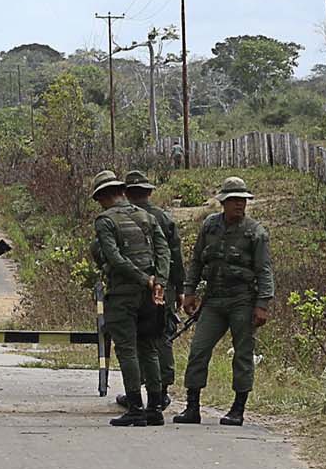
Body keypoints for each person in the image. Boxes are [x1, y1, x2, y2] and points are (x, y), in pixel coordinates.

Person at [177, 176, 275, 426]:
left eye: (243, 200)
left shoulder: (256, 233)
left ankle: (238, 409)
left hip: (242, 299)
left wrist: (262, 304)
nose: (239, 205)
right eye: (234, 200)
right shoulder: (210, 226)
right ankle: (192, 406)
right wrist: (189, 291)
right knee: (199, 350)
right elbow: (197, 260)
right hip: (213, 299)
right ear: (223, 202)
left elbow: (264, 270)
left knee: (243, 354)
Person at [89, 170, 170, 427]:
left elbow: (113, 258)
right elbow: (163, 249)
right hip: (149, 294)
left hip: (124, 293)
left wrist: (142, 278)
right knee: (149, 348)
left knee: (127, 349)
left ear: (102, 196)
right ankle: (155, 408)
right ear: (121, 191)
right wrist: (159, 281)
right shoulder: (145, 215)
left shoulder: (105, 220)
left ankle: (135, 407)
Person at [120, 169, 186, 409]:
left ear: (126, 193)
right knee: (160, 336)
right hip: (162, 285)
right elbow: (174, 256)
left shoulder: (119, 216)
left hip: (132, 286)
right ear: (148, 192)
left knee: (134, 339)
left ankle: (135, 391)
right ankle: (162, 391)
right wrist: (179, 288)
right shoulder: (163, 217)